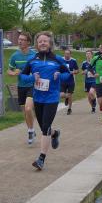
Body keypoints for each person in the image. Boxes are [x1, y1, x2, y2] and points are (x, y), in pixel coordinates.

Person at [20, 32, 68, 170]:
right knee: (43, 128)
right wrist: (31, 78)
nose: (42, 43)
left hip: (52, 98)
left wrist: (59, 75)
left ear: (50, 43)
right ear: (37, 44)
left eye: (45, 41)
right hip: (38, 98)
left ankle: (41, 158)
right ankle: (55, 133)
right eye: (40, 41)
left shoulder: (57, 59)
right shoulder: (32, 59)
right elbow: (22, 76)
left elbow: (67, 74)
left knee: (45, 127)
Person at [7, 33, 37, 145]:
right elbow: (9, 70)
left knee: (28, 108)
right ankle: (31, 129)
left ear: (28, 42)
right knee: (25, 111)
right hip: (21, 86)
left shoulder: (34, 55)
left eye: (23, 40)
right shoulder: (15, 56)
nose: (20, 41)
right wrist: (14, 73)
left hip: (32, 85)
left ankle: (30, 131)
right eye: (19, 39)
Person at [59, 47, 79, 115]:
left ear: (70, 54)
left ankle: (69, 109)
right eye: (65, 53)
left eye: (68, 54)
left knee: (70, 95)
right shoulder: (61, 60)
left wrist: (73, 72)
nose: (66, 55)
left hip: (71, 81)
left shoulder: (73, 61)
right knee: (62, 95)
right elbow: (57, 68)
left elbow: (77, 70)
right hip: (62, 81)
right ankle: (66, 98)